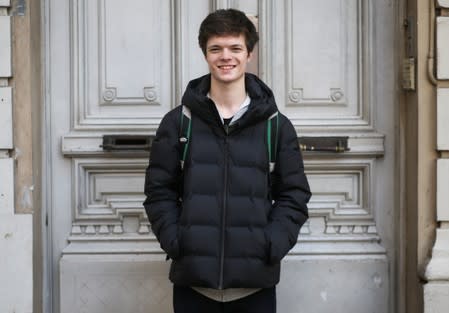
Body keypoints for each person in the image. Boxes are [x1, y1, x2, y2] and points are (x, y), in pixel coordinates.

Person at [143, 8, 311, 313]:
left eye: (235, 48)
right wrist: (177, 241)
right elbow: (159, 192)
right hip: (193, 284)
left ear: (249, 54)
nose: (226, 57)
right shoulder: (178, 123)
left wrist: (271, 244)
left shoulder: (276, 125)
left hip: (255, 284)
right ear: (205, 54)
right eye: (216, 48)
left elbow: (294, 195)